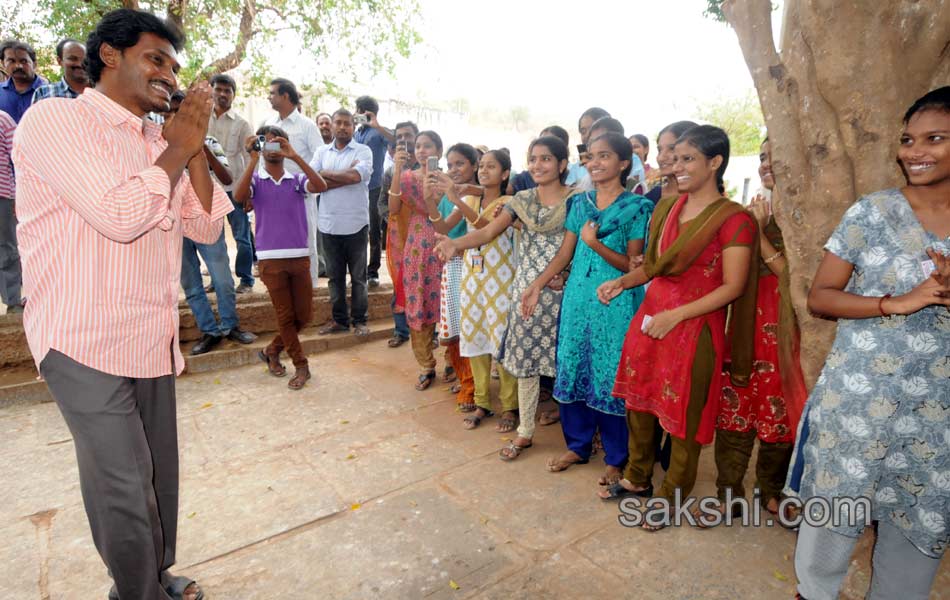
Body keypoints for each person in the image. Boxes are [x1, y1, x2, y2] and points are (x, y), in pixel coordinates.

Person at [12, 9, 233, 598]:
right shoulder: (55, 120)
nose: (168, 75)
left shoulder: (160, 140)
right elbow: (119, 215)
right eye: (155, 59)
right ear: (110, 55)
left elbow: (207, 229)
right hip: (82, 337)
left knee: (156, 476)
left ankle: (151, 576)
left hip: (148, 335)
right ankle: (137, 592)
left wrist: (189, 149)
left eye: (174, 66)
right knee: (124, 486)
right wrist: (177, 147)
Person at [786, 87, 950, 600]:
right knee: (837, 510)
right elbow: (821, 297)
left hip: (937, 411)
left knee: (918, 516)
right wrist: (894, 302)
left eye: (934, 139)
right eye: (908, 139)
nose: (913, 151)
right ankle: (813, 592)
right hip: (858, 401)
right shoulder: (872, 212)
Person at [595, 126, 757, 533]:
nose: (675, 165)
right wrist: (622, 282)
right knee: (640, 403)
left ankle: (673, 496)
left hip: (694, 327)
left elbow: (733, 286)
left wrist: (678, 316)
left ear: (715, 162)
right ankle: (637, 476)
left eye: (687, 159)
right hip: (651, 318)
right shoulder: (667, 208)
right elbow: (652, 266)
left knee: (684, 414)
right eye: (673, 156)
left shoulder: (734, 219)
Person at [521, 132, 653, 482]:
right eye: (590, 156)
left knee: (609, 373)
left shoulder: (638, 207)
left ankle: (615, 456)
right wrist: (537, 284)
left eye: (604, 156)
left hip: (616, 300)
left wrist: (593, 243)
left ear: (624, 163)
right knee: (572, 364)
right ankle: (577, 446)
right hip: (578, 299)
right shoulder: (579, 204)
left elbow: (634, 266)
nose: (594, 163)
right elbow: (565, 253)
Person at [436, 135, 576, 460]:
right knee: (525, 361)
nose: (538, 165)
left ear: (562, 165)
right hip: (524, 292)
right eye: (533, 159)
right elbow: (486, 232)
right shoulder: (520, 201)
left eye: (546, 159)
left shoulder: (577, 201)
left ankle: (580, 438)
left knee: (566, 363)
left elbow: (574, 248)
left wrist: (563, 276)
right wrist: (455, 244)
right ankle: (525, 432)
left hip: (563, 291)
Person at [708, 136, 808, 526]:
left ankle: (771, 490)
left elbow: (797, 280)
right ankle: (727, 493)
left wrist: (760, 234)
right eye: (764, 157)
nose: (767, 163)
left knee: (778, 414)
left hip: (783, 332)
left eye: (776, 156)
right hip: (744, 326)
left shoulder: (805, 218)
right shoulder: (744, 210)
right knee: (734, 410)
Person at [234, 126, 327, 389]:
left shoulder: (296, 180)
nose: (273, 146)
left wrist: (295, 156)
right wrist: (252, 158)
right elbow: (239, 197)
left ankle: (272, 350)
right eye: (267, 142)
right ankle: (301, 364)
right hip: (270, 259)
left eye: (278, 141)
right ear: (260, 147)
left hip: (299, 256)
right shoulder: (255, 180)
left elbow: (320, 185)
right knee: (286, 317)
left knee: (305, 315)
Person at [444, 149, 519, 431]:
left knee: (502, 341)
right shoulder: (471, 197)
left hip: (501, 279)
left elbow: (487, 229)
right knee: (475, 337)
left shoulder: (511, 202)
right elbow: (441, 224)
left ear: (505, 173)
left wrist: (457, 202)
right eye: (483, 166)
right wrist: (433, 199)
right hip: (472, 280)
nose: (484, 171)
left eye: (492, 166)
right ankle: (482, 402)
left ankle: (510, 406)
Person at [176, 93, 257, 355]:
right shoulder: (160, 144)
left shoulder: (209, 141)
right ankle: (209, 331)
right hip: (175, 222)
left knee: (222, 279)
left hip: (206, 220)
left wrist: (202, 147)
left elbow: (226, 176)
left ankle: (231, 325)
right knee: (191, 283)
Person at [388, 130, 445, 390]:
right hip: (415, 246)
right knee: (417, 302)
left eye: (428, 146)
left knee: (446, 302)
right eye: (418, 146)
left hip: (445, 240)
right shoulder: (408, 178)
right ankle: (426, 365)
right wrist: (398, 170)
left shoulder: (448, 179)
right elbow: (393, 209)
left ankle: (455, 363)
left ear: (439, 152)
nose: (422, 151)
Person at [311, 109, 374, 336]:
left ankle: (359, 321)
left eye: (347, 123)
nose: (342, 127)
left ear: (353, 127)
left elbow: (356, 177)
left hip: (356, 225)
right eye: (338, 122)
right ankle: (339, 321)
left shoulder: (363, 150)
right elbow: (311, 182)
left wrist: (325, 175)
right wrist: (343, 175)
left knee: (359, 278)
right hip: (328, 226)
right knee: (334, 278)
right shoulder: (321, 151)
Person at [426, 143, 480, 409]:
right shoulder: (450, 195)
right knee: (453, 325)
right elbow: (439, 227)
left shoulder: (472, 196)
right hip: (453, 265)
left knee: (466, 325)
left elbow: (447, 227)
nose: (454, 169)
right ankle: (466, 380)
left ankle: (472, 387)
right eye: (449, 165)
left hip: (469, 265)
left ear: (474, 166)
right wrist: (429, 198)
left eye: (460, 164)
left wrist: (446, 192)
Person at [264, 78, 324, 284]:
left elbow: (319, 159)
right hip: (272, 196)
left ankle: (312, 291)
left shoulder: (307, 126)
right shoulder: (269, 126)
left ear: (285, 96)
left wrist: (303, 183)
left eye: (272, 93)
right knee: (278, 245)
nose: (269, 97)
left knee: (307, 244)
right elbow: (264, 159)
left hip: (301, 194)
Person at [208, 73, 256, 293]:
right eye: (218, 89)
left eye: (227, 90)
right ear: (212, 91)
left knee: (242, 237)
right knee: (213, 238)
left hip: (235, 189)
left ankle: (246, 280)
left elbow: (250, 158)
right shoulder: (202, 118)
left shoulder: (242, 123)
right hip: (207, 188)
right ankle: (219, 280)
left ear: (233, 95)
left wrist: (249, 190)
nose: (222, 94)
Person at [379, 121, 419, 348]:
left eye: (409, 135)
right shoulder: (389, 172)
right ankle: (400, 330)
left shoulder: (428, 168)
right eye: (400, 136)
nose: (405, 140)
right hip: (398, 236)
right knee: (399, 282)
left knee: (423, 281)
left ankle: (427, 332)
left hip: (423, 234)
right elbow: (382, 203)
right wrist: (393, 221)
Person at [354, 95, 396, 288]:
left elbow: (396, 139)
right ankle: (359, 271)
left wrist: (377, 125)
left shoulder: (378, 133)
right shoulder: (357, 133)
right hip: (356, 187)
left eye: (359, 110)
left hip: (375, 188)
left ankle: (373, 271)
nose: (356, 114)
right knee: (359, 230)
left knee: (374, 231)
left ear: (367, 112)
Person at [645, 120, 698, 203]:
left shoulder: (706, 200)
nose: (661, 158)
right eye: (659, 150)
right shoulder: (650, 199)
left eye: (672, 149)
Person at [0, 108, 20, 313]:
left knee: (6, 248)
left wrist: (17, 195)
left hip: (2, 195)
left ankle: (12, 300)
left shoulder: (4, 119)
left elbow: (18, 158)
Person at [0, 39, 46, 122]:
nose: (18, 66)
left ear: (34, 64)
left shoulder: (49, 92)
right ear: (3, 63)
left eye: (24, 61)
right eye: (11, 61)